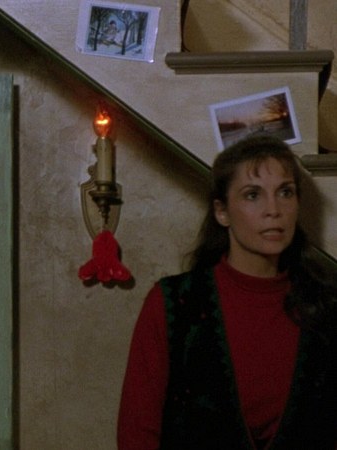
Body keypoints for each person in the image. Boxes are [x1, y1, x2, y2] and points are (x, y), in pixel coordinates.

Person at [117, 135, 337, 449]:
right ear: (222, 212)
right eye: (253, 195)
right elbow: (137, 433)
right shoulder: (175, 304)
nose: (273, 209)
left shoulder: (325, 306)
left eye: (285, 192)